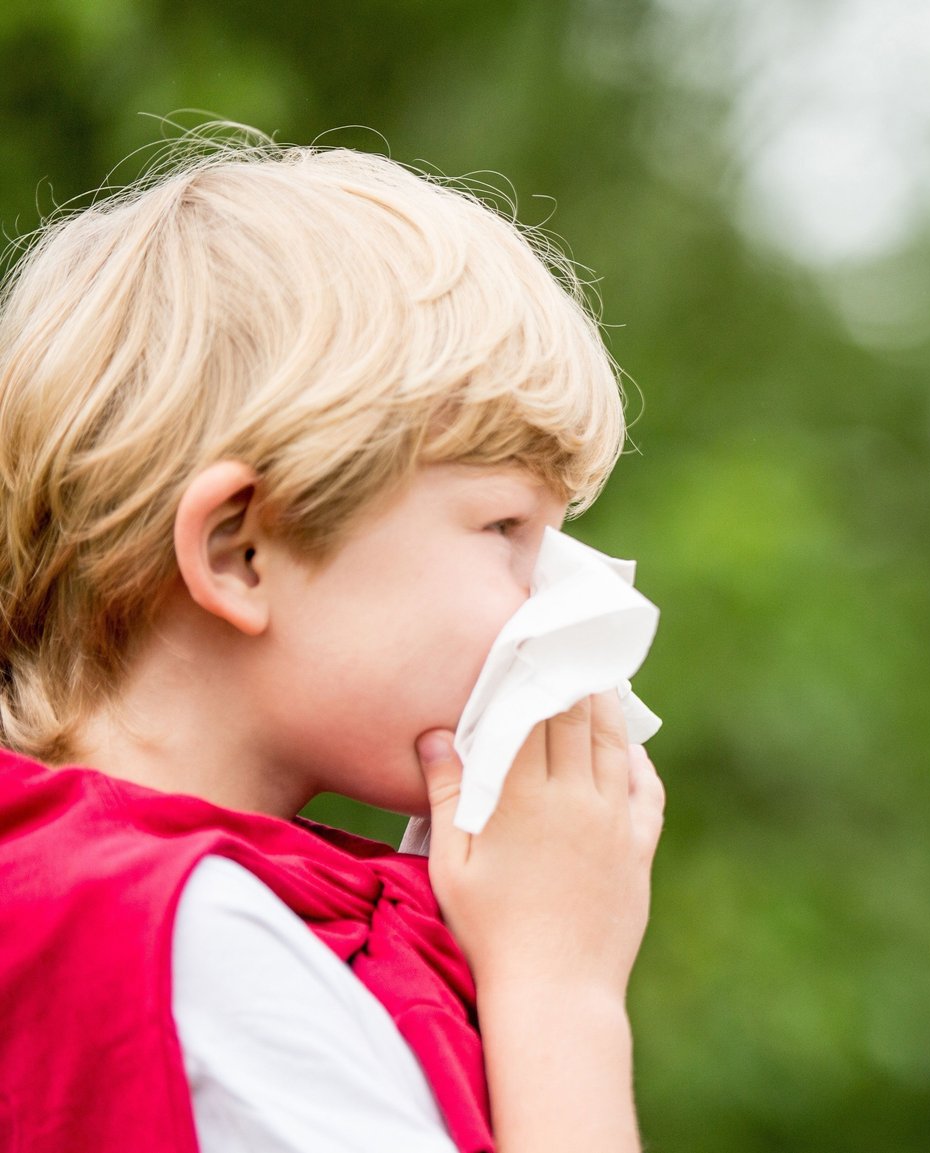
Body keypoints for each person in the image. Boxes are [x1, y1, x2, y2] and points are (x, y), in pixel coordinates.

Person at [0, 135, 664, 1152]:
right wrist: (558, 987)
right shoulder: (197, 951)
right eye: (505, 530)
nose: (559, 595)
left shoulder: (99, 896)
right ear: (240, 551)